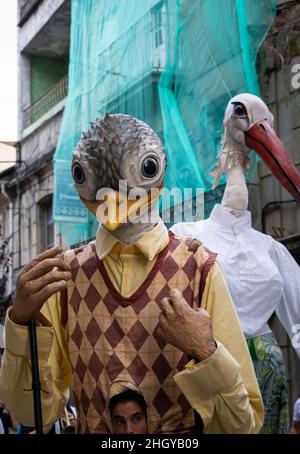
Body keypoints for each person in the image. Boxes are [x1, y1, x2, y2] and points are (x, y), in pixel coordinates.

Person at [0, 114, 263, 434]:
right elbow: (32, 412)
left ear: (160, 171)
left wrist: (206, 352)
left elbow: (242, 426)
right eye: (85, 175)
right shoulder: (65, 280)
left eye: (146, 168)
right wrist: (22, 323)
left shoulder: (199, 269)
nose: (114, 198)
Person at [171, 94, 300, 433]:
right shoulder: (184, 237)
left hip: (270, 379)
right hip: (212, 368)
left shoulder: (273, 251)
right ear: (231, 120)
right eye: (244, 114)